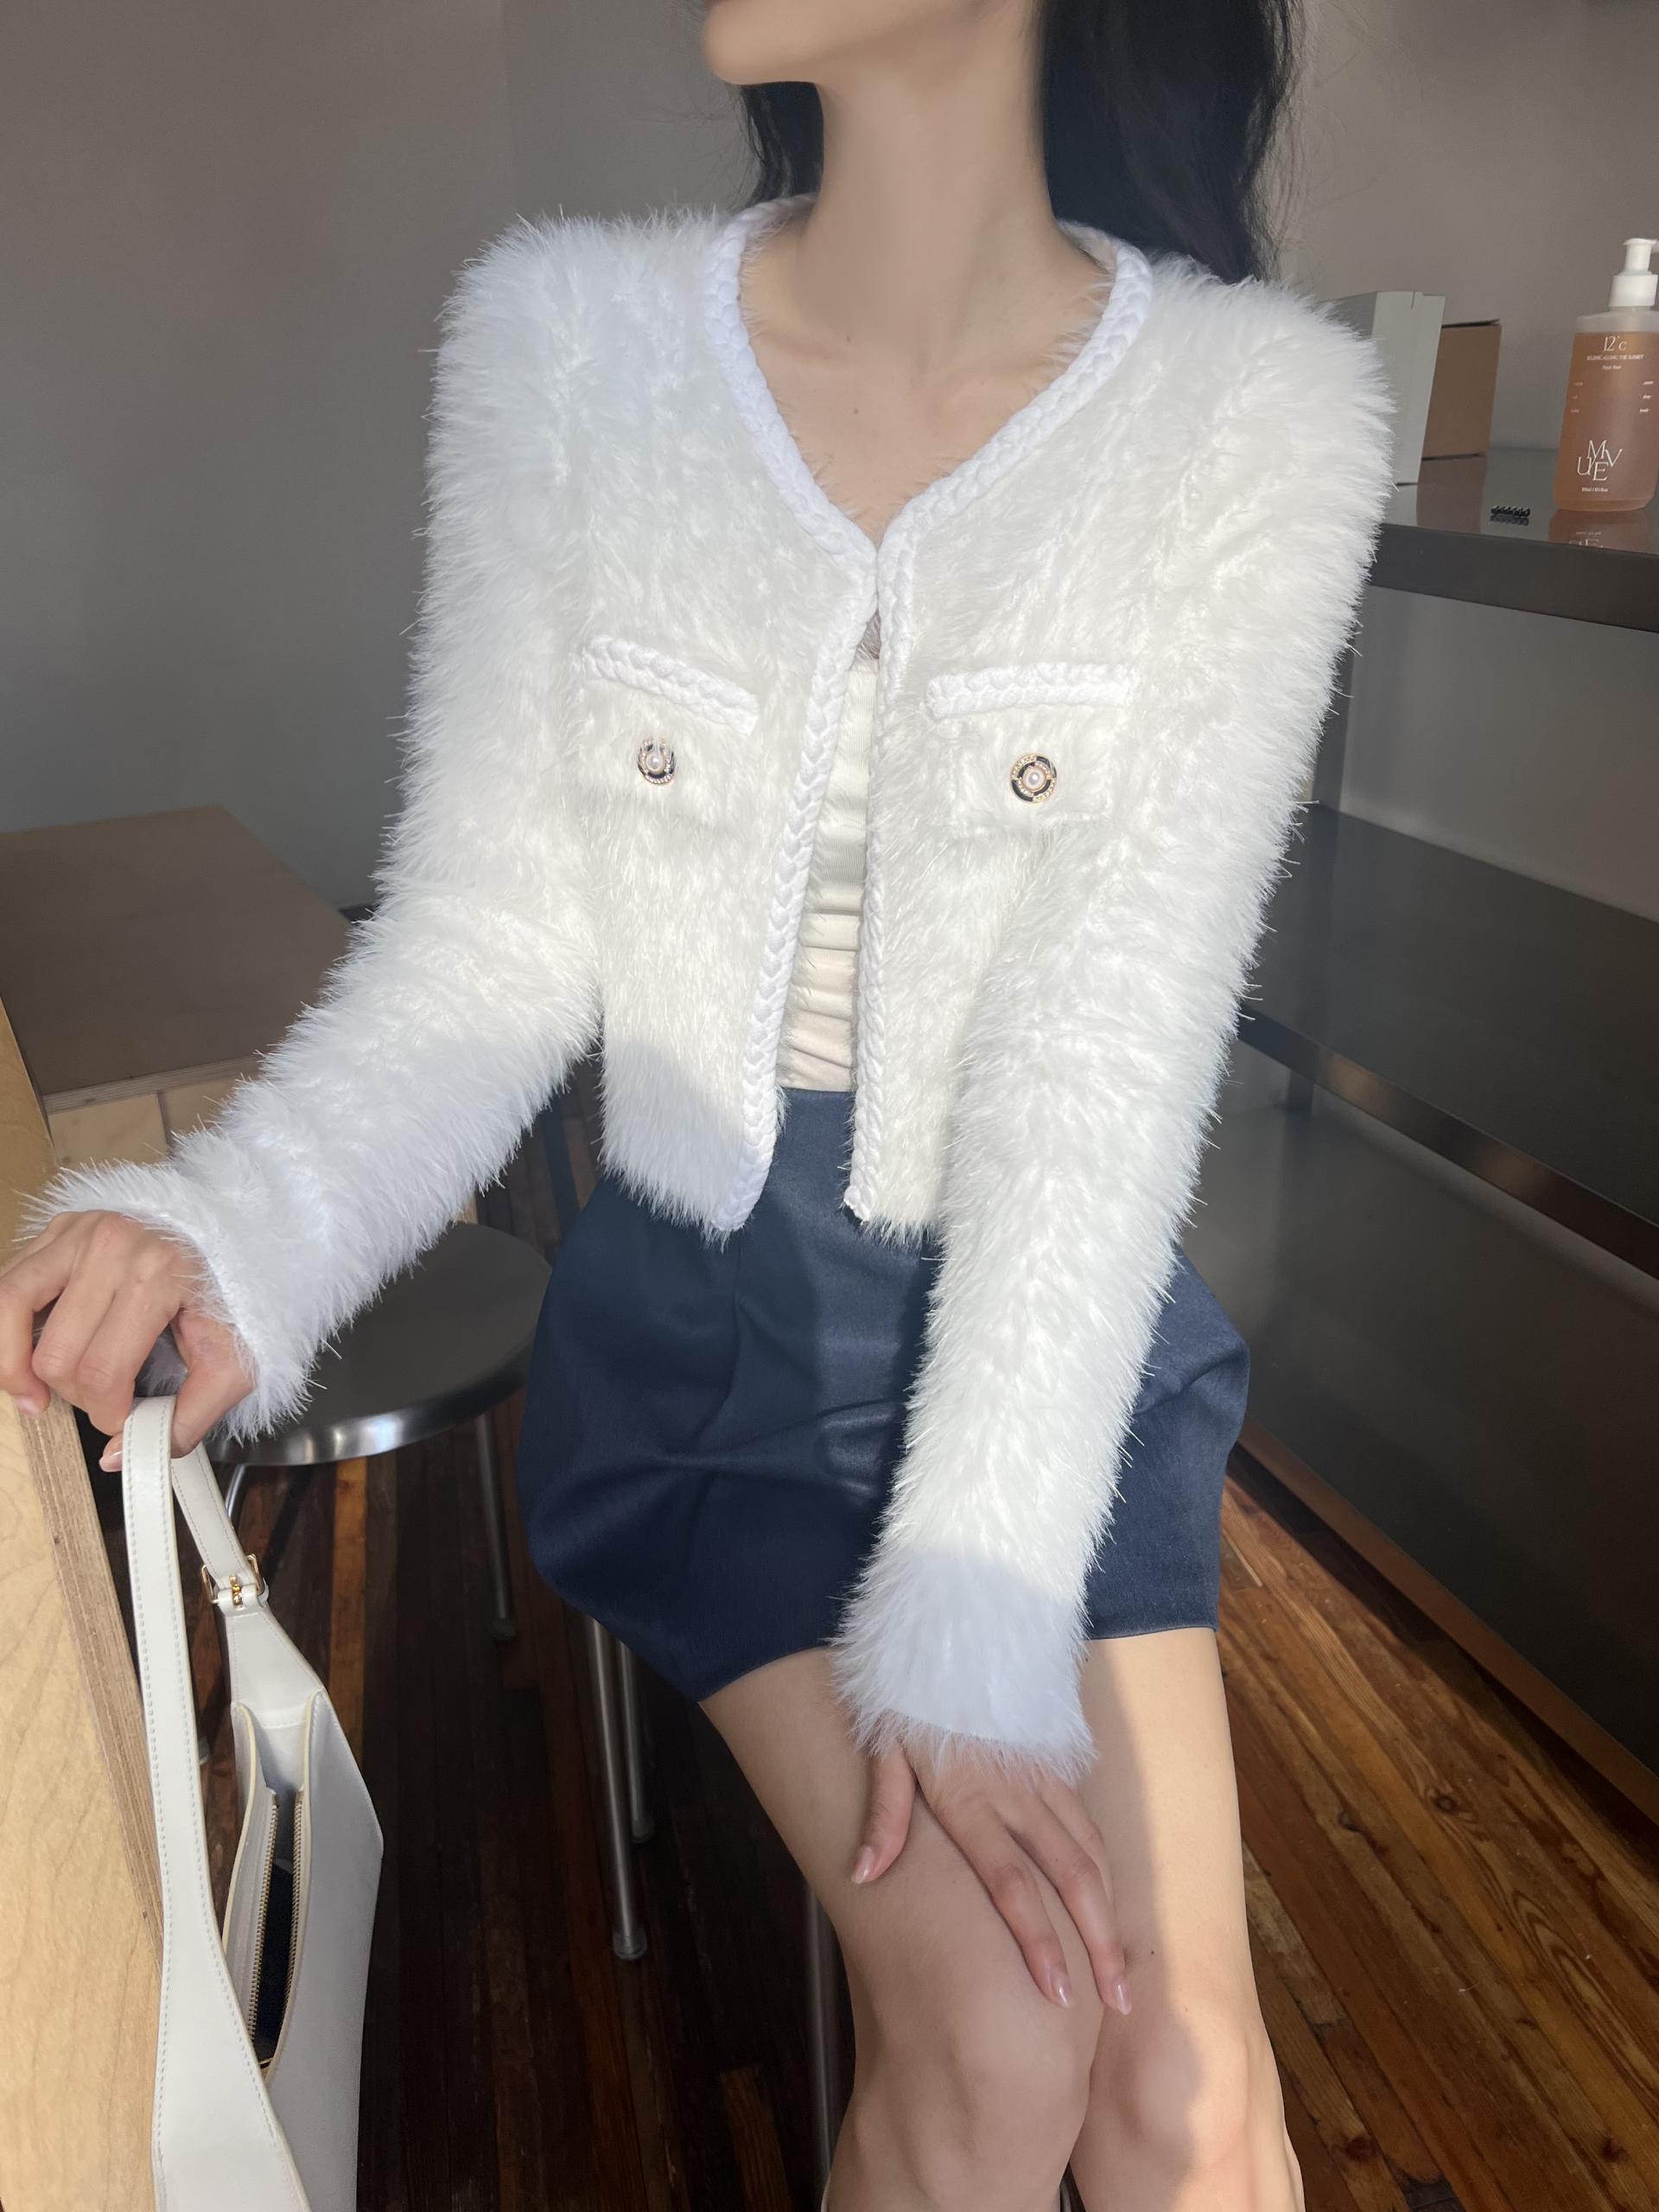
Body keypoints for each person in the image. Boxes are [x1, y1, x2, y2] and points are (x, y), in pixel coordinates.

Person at [1, 1, 1393, 2204]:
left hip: (1052, 1336)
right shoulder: (571, 347)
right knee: (1007, 2041)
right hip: (724, 1332)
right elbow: (491, 940)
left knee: (1194, 2099)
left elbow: (1106, 1063)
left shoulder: (1257, 418)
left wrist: (973, 1617)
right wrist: (241, 1222)